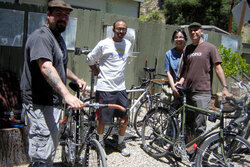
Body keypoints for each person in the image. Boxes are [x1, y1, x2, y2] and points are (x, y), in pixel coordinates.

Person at [20, 0, 87, 165]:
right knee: (41, 155)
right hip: (39, 103)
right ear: (48, 15)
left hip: (51, 103)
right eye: (58, 14)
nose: (63, 18)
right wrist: (67, 95)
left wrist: (76, 78)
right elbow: (46, 67)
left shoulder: (58, 38)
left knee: (49, 150)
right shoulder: (42, 37)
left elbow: (59, 67)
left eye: (66, 15)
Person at [176, 22, 230, 153]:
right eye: (191, 31)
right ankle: (188, 148)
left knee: (200, 124)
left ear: (201, 32)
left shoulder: (210, 48)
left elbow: (217, 68)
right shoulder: (187, 49)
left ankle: (196, 151)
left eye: (196, 30)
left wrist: (225, 86)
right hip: (187, 91)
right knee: (187, 122)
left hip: (202, 92)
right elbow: (186, 71)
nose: (193, 32)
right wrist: (180, 81)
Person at [86, 20, 132, 157]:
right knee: (102, 119)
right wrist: (96, 71)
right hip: (105, 88)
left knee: (125, 118)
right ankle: (100, 143)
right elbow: (89, 59)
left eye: (124, 29)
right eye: (118, 29)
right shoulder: (104, 44)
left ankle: (120, 143)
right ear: (113, 29)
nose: (121, 32)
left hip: (120, 88)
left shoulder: (128, 44)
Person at [164, 28, 187, 97]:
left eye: (181, 37)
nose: (178, 39)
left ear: (185, 39)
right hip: (174, 86)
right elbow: (168, 72)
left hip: (187, 87)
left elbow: (189, 71)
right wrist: (173, 88)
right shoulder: (169, 54)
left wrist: (181, 82)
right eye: (176, 37)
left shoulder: (189, 52)